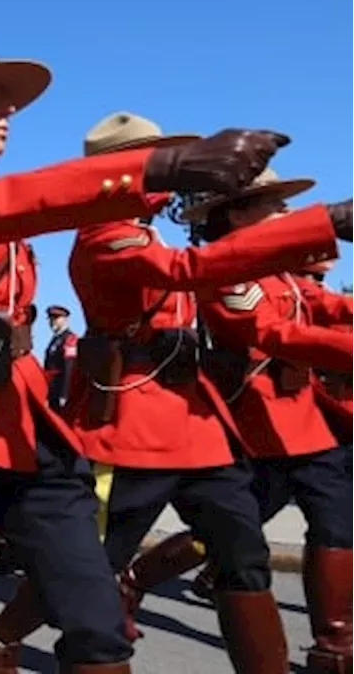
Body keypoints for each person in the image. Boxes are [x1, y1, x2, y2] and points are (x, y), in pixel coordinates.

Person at [0, 41, 287, 673]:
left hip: (29, 427)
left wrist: (321, 224)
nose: (8, 107)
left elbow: (18, 208)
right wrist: (162, 166)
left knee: (96, 618)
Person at [0, 112, 354, 673]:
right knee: (92, 564)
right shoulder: (107, 236)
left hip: (196, 428)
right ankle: (0, 633)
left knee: (243, 555)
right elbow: (188, 269)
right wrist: (324, 224)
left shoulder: (144, 232)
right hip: (133, 426)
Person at [131, 169, 354, 673]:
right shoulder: (226, 272)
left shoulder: (278, 271)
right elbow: (271, 333)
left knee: (337, 520)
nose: (287, 214)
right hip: (251, 420)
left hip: (300, 421)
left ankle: (335, 647)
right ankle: (137, 577)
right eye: (274, 205)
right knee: (229, 529)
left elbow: (324, 304)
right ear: (237, 214)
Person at [44, 305, 78, 412]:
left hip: (59, 389)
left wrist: (64, 393)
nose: (52, 322)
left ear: (65, 319)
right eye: (51, 319)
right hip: (51, 389)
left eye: (56, 318)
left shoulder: (69, 338)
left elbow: (69, 367)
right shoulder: (55, 339)